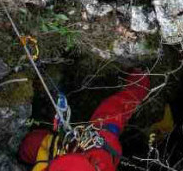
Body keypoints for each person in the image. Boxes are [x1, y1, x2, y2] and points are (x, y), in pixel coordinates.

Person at [19, 71, 151, 171]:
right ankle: (140, 78)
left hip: (64, 154)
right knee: (112, 115)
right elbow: (117, 109)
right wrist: (139, 82)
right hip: (97, 151)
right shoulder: (101, 152)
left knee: (30, 143)